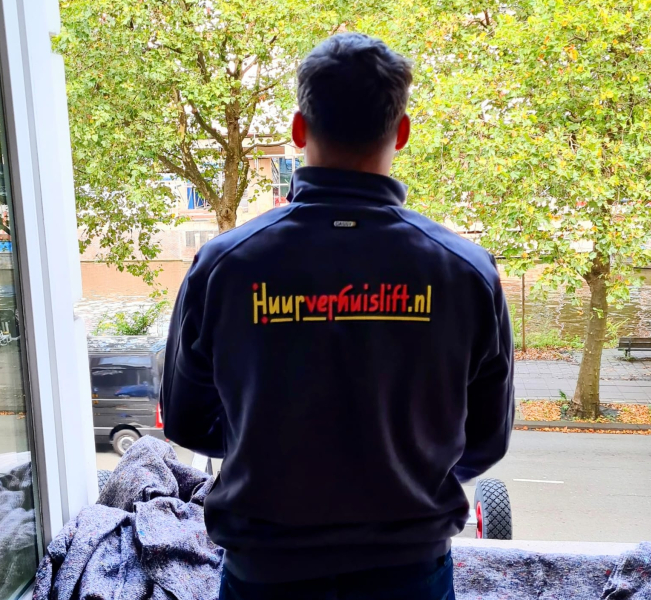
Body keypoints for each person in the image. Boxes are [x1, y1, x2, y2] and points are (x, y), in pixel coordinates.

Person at [161, 33, 514, 600]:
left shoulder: (224, 266)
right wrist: (402, 474)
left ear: (299, 129)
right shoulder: (466, 271)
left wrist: (269, 445)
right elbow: (486, 438)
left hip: (264, 574)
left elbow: (187, 422)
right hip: (410, 574)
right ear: (401, 132)